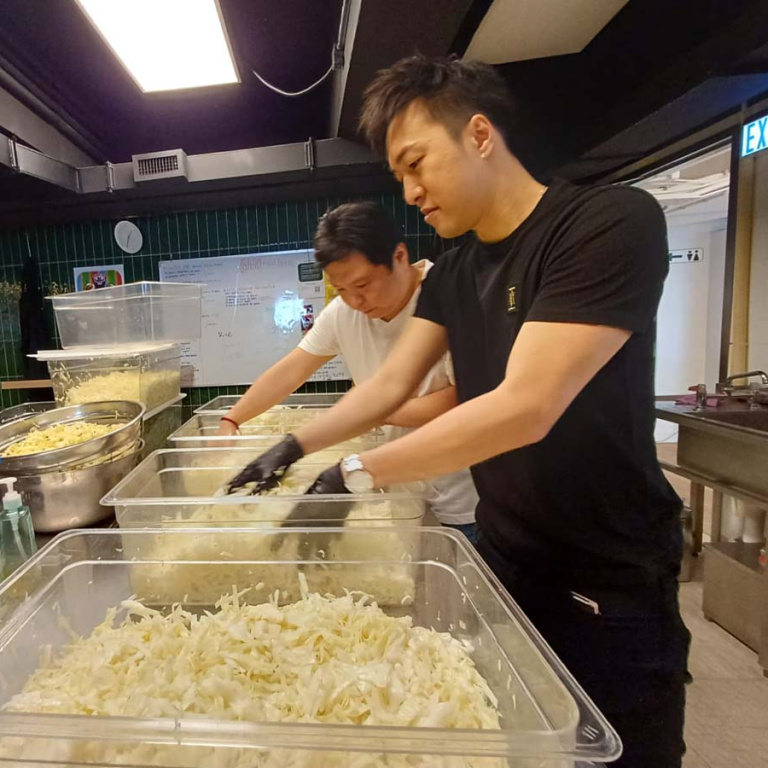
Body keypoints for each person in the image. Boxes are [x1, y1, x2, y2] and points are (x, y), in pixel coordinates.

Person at [227, 55, 688, 768]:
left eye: (416, 164)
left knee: (616, 754)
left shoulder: (604, 223)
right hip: (507, 557)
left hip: (605, 574)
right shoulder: (459, 271)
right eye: (399, 176)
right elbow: (388, 388)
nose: (410, 192)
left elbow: (526, 406)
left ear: (479, 134)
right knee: (516, 746)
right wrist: (294, 446)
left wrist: (354, 473)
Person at [218, 201, 478, 538]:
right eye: (341, 290)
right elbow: (292, 370)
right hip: (396, 489)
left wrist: (375, 411)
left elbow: (466, 398)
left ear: (399, 256)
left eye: (363, 285)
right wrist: (233, 419)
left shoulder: (448, 294)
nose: (355, 301)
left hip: (462, 496)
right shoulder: (343, 313)